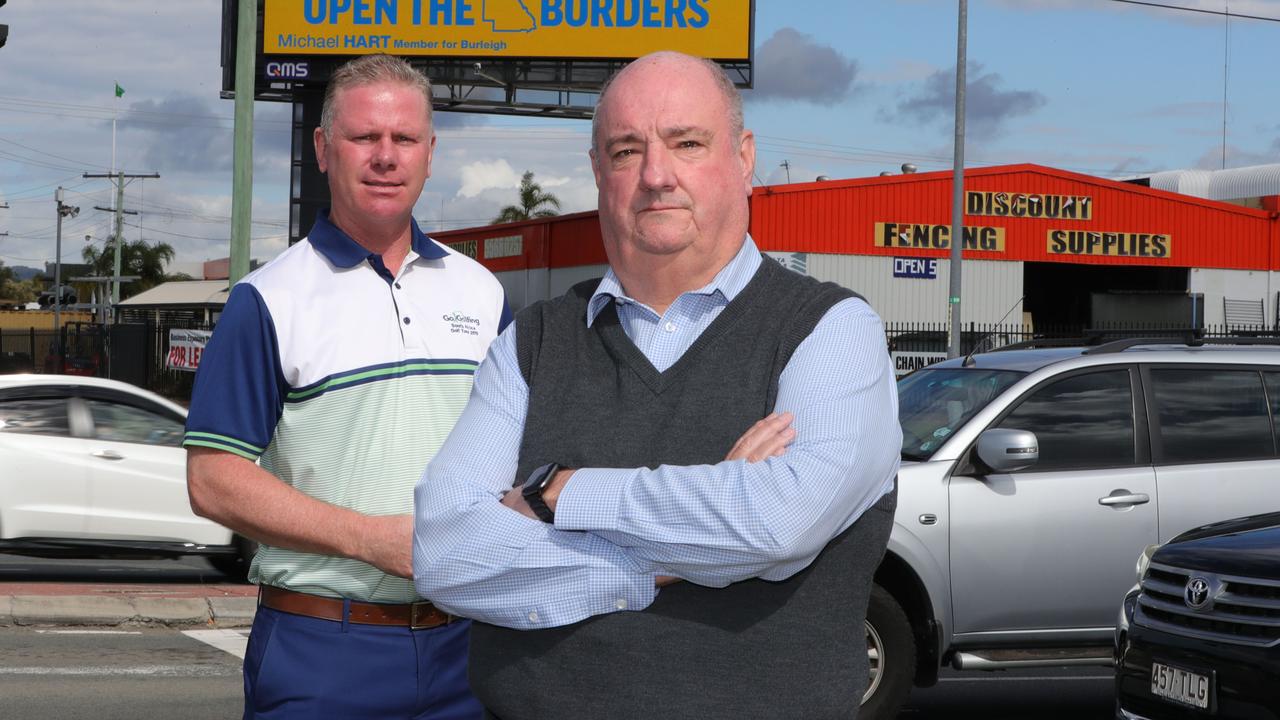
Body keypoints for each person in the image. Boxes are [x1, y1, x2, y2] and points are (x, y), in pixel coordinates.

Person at [413, 51, 900, 720]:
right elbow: (444, 554)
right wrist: (672, 559)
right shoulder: (532, 343)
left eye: (687, 143)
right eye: (625, 151)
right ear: (597, 172)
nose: (656, 175)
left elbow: (776, 521)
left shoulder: (832, 331)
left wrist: (558, 492)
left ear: (744, 156)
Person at [184, 53, 507, 719]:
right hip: (323, 649)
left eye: (404, 139)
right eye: (365, 137)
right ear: (325, 149)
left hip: (470, 649)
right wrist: (367, 539)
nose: (385, 157)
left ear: (429, 152)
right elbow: (212, 479)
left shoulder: (483, 292)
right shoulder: (268, 299)